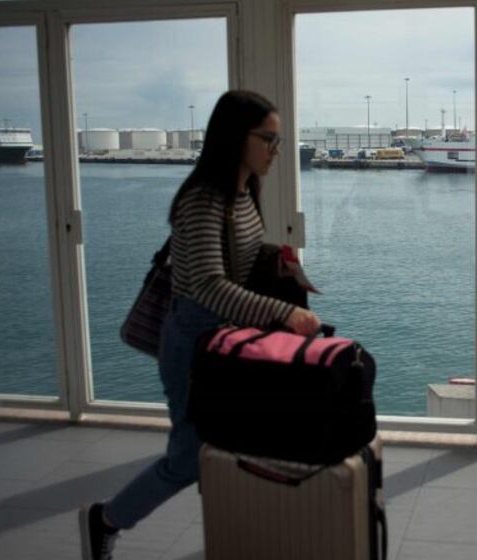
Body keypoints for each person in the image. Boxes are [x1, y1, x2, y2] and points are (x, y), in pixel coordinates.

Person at [79, 90, 321, 560]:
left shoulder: (243, 193)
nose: (275, 150)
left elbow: (232, 263)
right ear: (236, 137)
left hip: (226, 339)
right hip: (193, 344)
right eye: (268, 139)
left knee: (233, 448)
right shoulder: (202, 201)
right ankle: (107, 518)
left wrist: (278, 264)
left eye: (279, 140)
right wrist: (283, 312)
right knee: (188, 459)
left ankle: (236, 539)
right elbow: (207, 287)